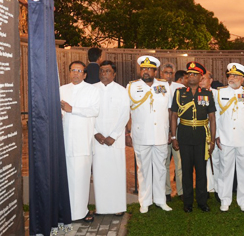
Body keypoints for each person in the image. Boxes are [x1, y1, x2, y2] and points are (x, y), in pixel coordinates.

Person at [126, 55, 172, 213]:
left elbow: (171, 109)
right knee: (143, 169)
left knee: (160, 168)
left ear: (155, 71)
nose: (145, 71)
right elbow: (126, 111)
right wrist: (128, 132)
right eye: (143, 69)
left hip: (160, 133)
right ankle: (144, 201)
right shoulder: (132, 86)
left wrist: (171, 132)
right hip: (141, 135)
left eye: (149, 69)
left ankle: (160, 200)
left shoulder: (165, 86)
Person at [170, 62, 216, 213]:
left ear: (201, 77)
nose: (191, 76)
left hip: (202, 136)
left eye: (195, 74)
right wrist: (173, 137)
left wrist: (212, 140)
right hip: (184, 134)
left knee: (201, 170)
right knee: (186, 170)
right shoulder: (179, 93)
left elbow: (212, 118)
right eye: (189, 74)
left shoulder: (207, 94)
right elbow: (174, 115)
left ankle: (202, 202)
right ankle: (187, 202)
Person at [60, 61, 100, 222]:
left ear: (84, 74)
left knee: (82, 178)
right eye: (73, 70)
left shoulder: (92, 90)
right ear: (69, 72)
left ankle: (81, 212)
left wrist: (73, 109)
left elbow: (94, 110)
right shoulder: (62, 89)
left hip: (82, 141)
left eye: (79, 71)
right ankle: (67, 211)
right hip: (65, 141)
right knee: (67, 178)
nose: (75, 73)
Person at [215, 63, 244, 212]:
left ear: (242, 79)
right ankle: (225, 200)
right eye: (230, 75)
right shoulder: (219, 93)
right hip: (226, 138)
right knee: (225, 170)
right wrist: (217, 135)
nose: (231, 78)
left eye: (235, 76)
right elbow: (216, 116)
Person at [92, 60, 130, 215]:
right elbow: (89, 113)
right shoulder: (92, 90)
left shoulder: (121, 91)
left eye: (107, 71)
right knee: (99, 175)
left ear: (114, 74)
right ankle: (100, 207)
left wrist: (113, 136)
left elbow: (124, 115)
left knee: (116, 174)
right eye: (101, 71)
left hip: (115, 140)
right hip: (97, 139)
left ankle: (117, 208)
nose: (103, 74)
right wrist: (96, 133)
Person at [161, 62, 184, 202]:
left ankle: (181, 192)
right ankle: (166, 191)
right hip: (163, 131)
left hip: (179, 131)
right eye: (166, 72)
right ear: (161, 73)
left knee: (180, 163)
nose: (168, 75)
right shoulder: (156, 87)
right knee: (164, 163)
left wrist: (174, 132)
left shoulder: (180, 88)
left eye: (171, 73)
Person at [199, 70, 220, 202]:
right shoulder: (194, 94)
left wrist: (217, 135)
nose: (201, 81)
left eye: (204, 79)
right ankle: (205, 189)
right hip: (200, 132)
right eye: (199, 79)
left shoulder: (218, 94)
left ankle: (218, 189)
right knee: (202, 162)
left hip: (214, 132)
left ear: (210, 80)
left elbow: (220, 115)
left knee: (217, 162)